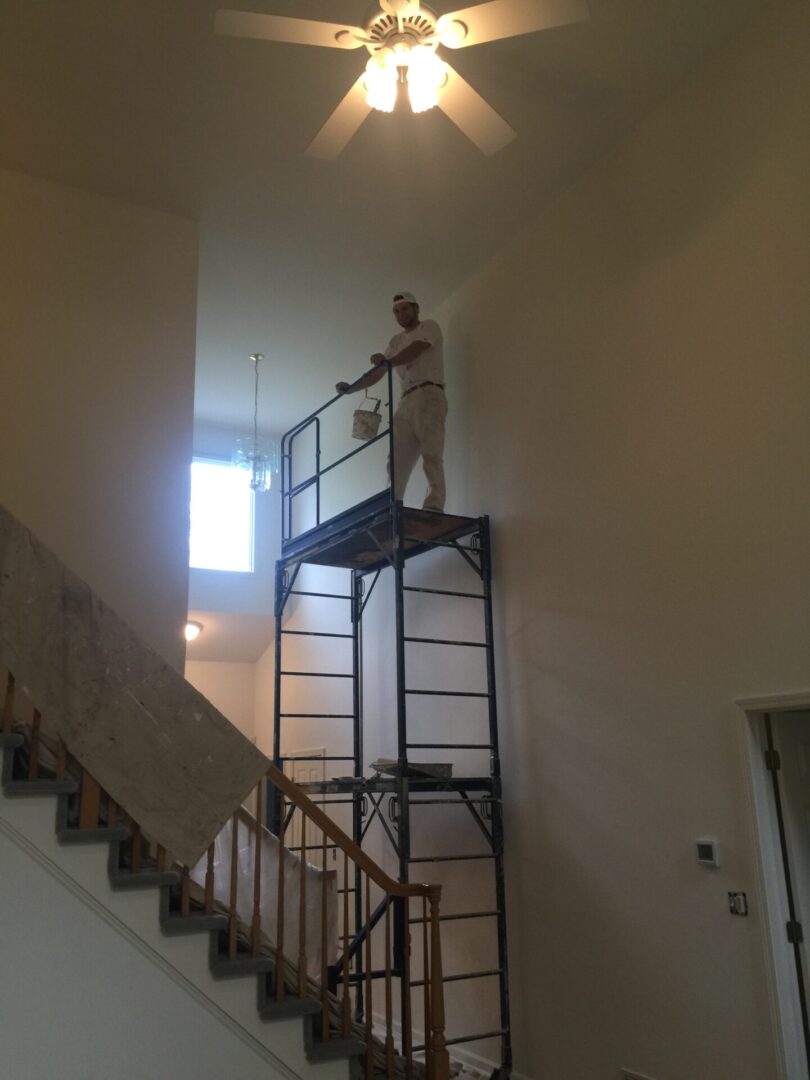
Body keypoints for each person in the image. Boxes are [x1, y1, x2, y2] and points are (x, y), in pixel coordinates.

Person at [335, 291, 447, 512]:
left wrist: (387, 362)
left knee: (431, 452)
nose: (401, 314)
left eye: (405, 308)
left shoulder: (429, 327)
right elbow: (378, 373)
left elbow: (415, 351)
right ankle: (391, 508)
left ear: (416, 308)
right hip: (406, 401)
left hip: (429, 394)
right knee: (395, 460)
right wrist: (351, 389)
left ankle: (434, 507)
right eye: (396, 311)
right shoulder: (395, 341)